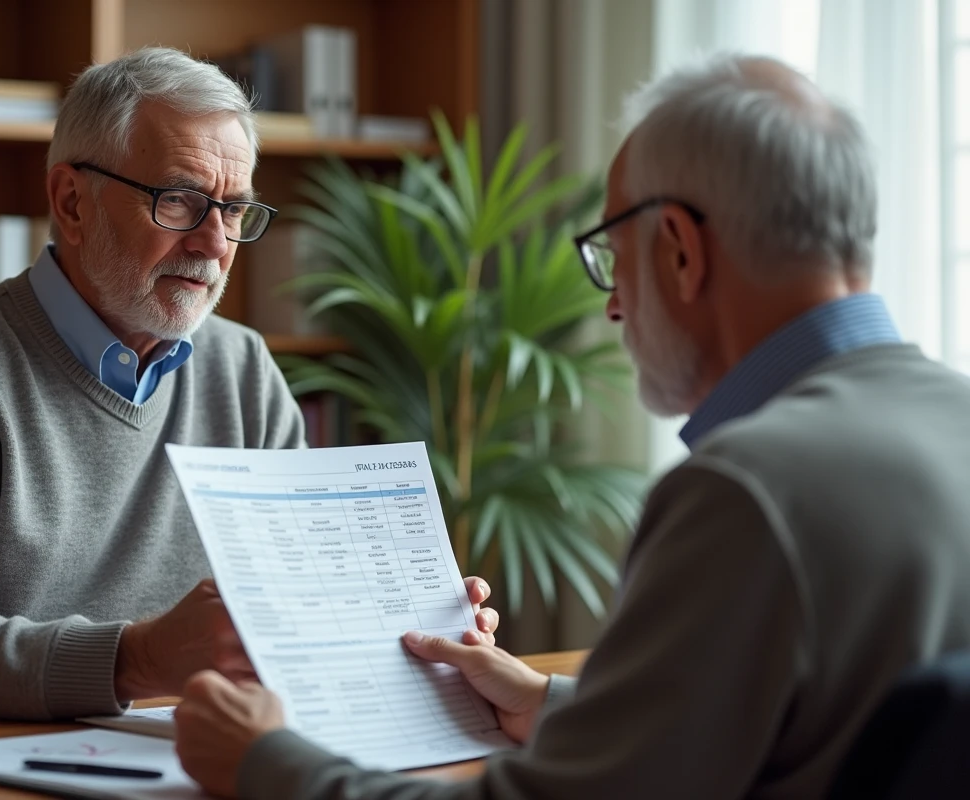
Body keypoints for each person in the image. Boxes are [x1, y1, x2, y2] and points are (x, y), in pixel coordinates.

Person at [173, 53, 970, 799]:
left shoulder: (747, 493)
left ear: (680, 250)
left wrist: (266, 761)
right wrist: (556, 704)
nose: (614, 305)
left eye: (613, 257)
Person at [0, 47, 499, 722]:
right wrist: (135, 659)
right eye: (181, 201)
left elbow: (305, 598)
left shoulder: (243, 369)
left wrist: (412, 626)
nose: (215, 244)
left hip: (172, 748)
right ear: (72, 202)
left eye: (234, 210)